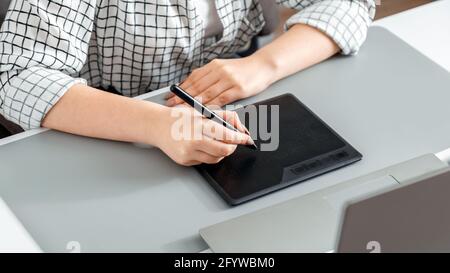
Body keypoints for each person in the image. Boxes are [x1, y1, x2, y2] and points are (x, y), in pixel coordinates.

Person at [0, 0, 375, 165]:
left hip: (234, 110)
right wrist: (158, 125)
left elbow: (351, 3)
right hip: (115, 128)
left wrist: (263, 66)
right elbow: (16, 76)